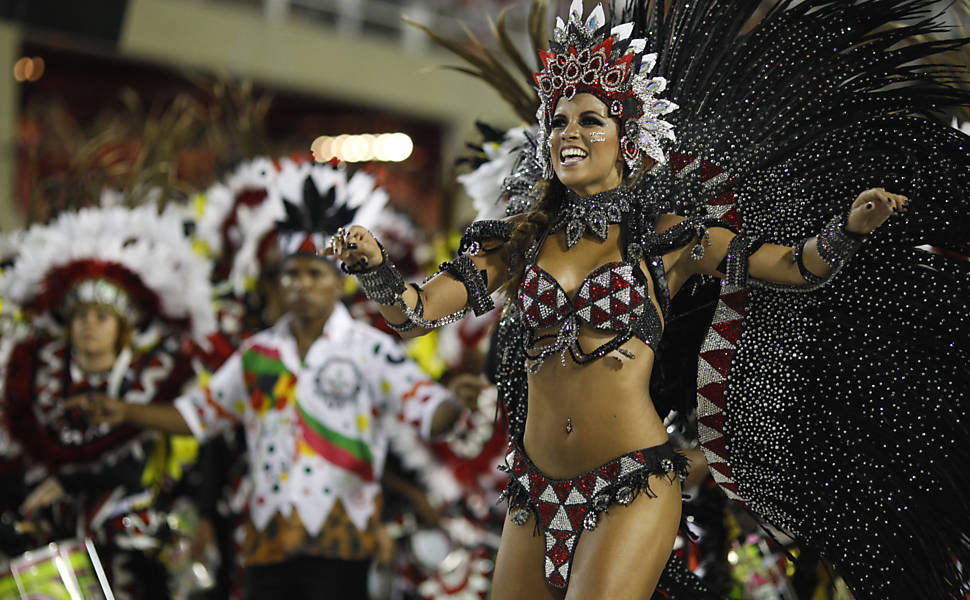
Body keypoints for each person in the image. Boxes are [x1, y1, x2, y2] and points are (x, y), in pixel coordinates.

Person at [330, 1, 970, 599]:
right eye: (558, 120)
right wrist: (376, 269)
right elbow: (413, 313)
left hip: (632, 479)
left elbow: (795, 267)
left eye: (590, 119)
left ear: (628, 137)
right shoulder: (517, 243)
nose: (569, 133)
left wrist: (848, 230)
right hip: (533, 491)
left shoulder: (671, 241)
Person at [80, 217, 481, 599]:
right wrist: (124, 411)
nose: (301, 285)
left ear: (339, 284)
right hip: (269, 543)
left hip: (342, 542)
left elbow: (430, 415)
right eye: (291, 275)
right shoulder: (258, 354)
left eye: (315, 274)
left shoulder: (369, 350)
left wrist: (455, 404)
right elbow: (197, 416)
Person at [0, 203, 216, 599]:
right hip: (52, 545)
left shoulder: (158, 378)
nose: (89, 326)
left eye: (102, 317)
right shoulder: (31, 375)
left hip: (133, 540)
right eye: (80, 317)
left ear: (123, 329)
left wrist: (73, 481)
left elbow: (163, 459)